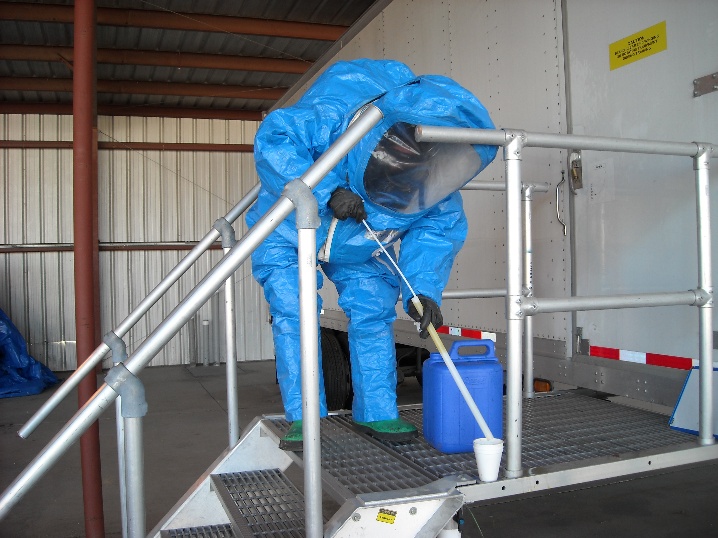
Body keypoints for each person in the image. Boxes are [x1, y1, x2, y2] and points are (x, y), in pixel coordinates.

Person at [246, 58, 497, 450]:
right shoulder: (334, 112)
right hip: (289, 228)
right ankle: (305, 418)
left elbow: (437, 230)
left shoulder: (433, 175)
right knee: (296, 313)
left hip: (361, 237)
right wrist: (325, 190)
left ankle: (377, 412)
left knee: (374, 309)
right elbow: (276, 139)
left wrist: (423, 290)